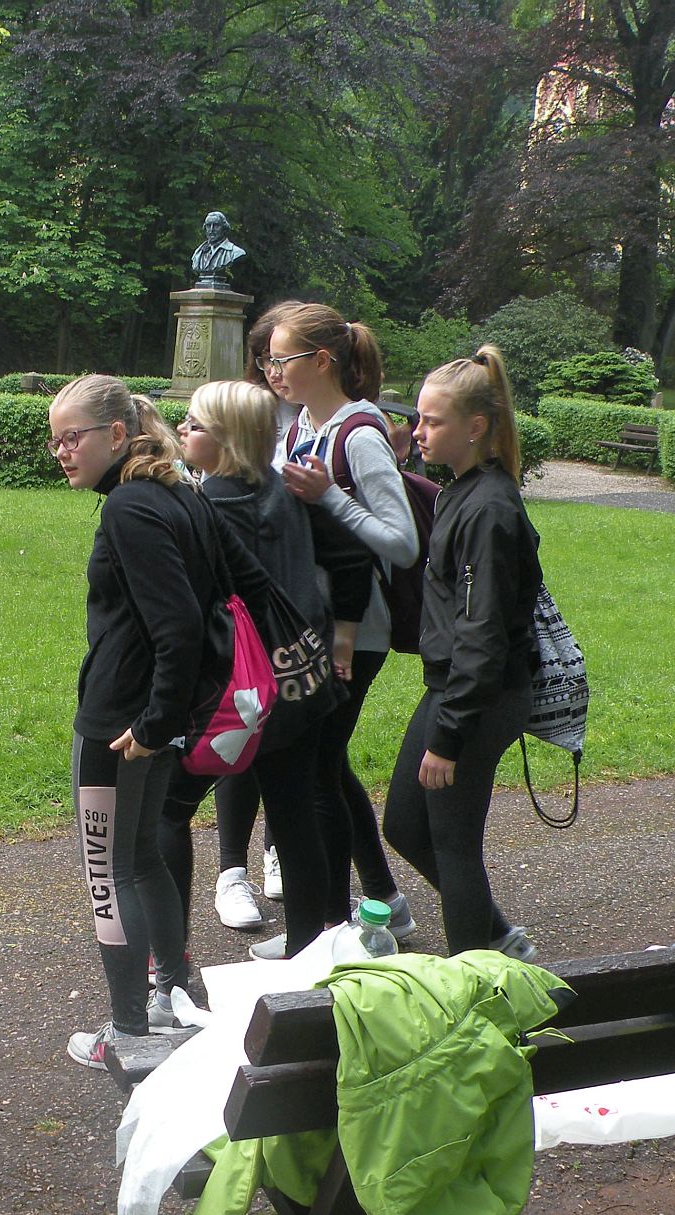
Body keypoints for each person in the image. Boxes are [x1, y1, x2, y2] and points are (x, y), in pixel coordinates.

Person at [55, 373, 261, 1069]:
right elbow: (233, 587)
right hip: (151, 715)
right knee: (141, 857)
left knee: (110, 872)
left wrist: (152, 724)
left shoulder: (130, 507)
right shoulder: (179, 491)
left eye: (72, 437)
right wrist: (165, 719)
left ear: (117, 434)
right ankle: (172, 995)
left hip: (120, 721)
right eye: (55, 440)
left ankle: (129, 1032)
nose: (62, 451)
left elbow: (178, 625)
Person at [157, 380, 349, 966]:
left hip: (241, 680)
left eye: (194, 424)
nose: (182, 429)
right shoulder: (285, 489)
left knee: (169, 806)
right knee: (294, 810)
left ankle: (167, 957)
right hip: (300, 674)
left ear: (228, 438)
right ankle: (307, 942)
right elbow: (344, 556)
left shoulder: (207, 505)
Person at [256, 301, 421, 959]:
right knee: (326, 767)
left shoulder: (358, 434)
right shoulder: (300, 425)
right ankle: (379, 906)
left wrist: (329, 496)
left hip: (357, 631)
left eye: (282, 359)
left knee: (317, 772)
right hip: (312, 624)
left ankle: (329, 931)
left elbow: (401, 542)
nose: (272, 370)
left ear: (322, 361)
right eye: (269, 360)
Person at [381, 345, 539, 961]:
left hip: (479, 695)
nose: (417, 432)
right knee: (404, 823)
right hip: (454, 686)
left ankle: (476, 983)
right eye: (418, 419)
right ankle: (496, 940)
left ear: (475, 427)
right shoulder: (461, 491)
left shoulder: (490, 509)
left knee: (453, 842)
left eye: (432, 421)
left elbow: (483, 631)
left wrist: (449, 736)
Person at [190, 211, 247, 287]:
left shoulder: (235, 252)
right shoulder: (198, 253)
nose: (211, 229)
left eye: (216, 225)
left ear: (224, 228)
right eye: (208, 225)